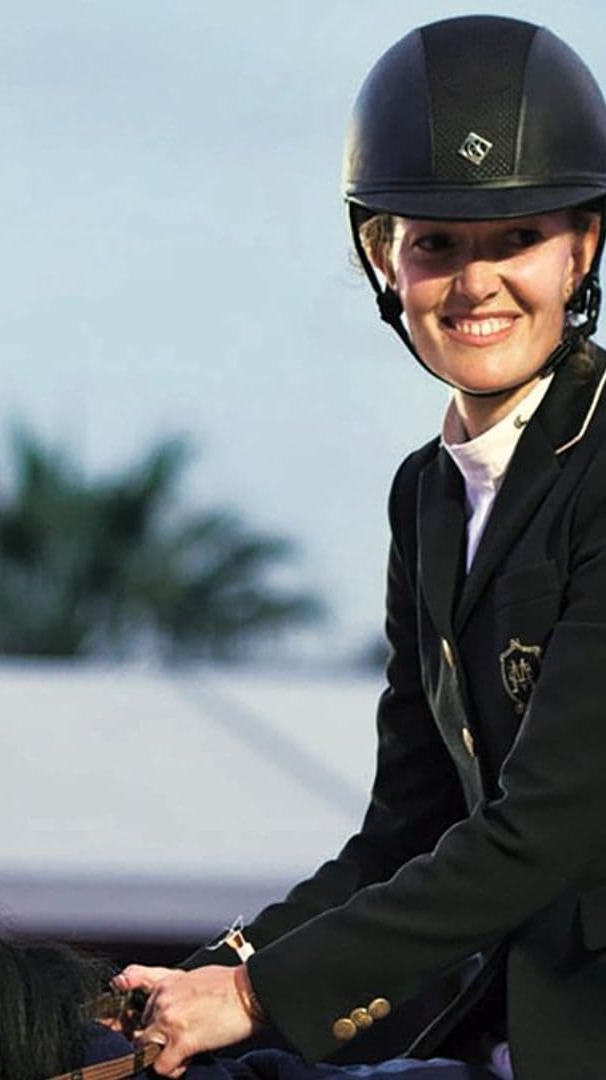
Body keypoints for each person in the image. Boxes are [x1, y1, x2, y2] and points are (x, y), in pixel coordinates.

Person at [108, 14, 606, 1080]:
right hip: (497, 1036)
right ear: (383, 258)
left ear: (585, 247)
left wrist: (255, 998)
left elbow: (550, 829)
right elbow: (407, 835)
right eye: (435, 243)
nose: (476, 284)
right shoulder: (425, 499)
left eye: (516, 238)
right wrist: (205, 977)